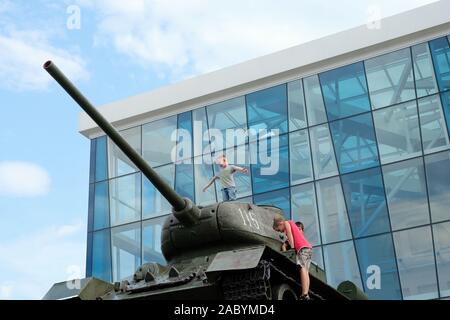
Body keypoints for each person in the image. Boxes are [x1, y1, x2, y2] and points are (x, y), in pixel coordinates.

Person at [273, 215, 313, 300]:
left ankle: (305, 294)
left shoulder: (287, 222)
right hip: (308, 248)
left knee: (302, 268)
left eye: (278, 230)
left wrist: (291, 247)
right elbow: (286, 240)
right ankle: (306, 294)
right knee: (305, 271)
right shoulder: (290, 225)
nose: (280, 232)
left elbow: (290, 235)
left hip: (302, 248)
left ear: (280, 223)